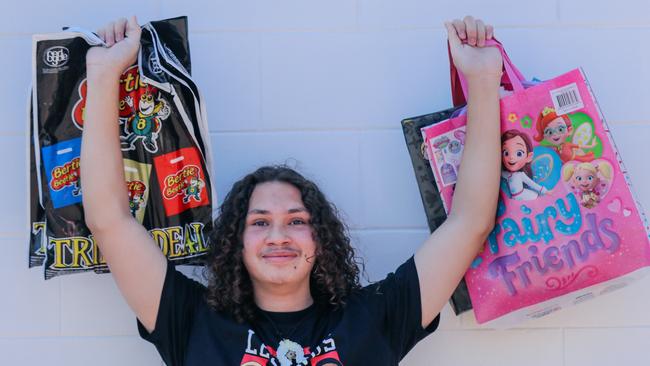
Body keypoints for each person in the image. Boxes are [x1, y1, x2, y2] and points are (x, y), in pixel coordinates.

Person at [80, 15, 502, 366]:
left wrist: (482, 83)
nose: (278, 235)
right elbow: (110, 221)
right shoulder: (192, 320)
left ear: (321, 238)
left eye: (297, 221)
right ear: (236, 242)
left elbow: (469, 223)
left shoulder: (374, 318)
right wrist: (103, 76)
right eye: (259, 221)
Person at [500, 129, 548, 200]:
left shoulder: (521, 175)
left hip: (524, 195)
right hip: (514, 197)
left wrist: (545, 191)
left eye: (519, 153)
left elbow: (532, 184)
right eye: (506, 153)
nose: (511, 157)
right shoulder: (507, 174)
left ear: (529, 157)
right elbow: (500, 174)